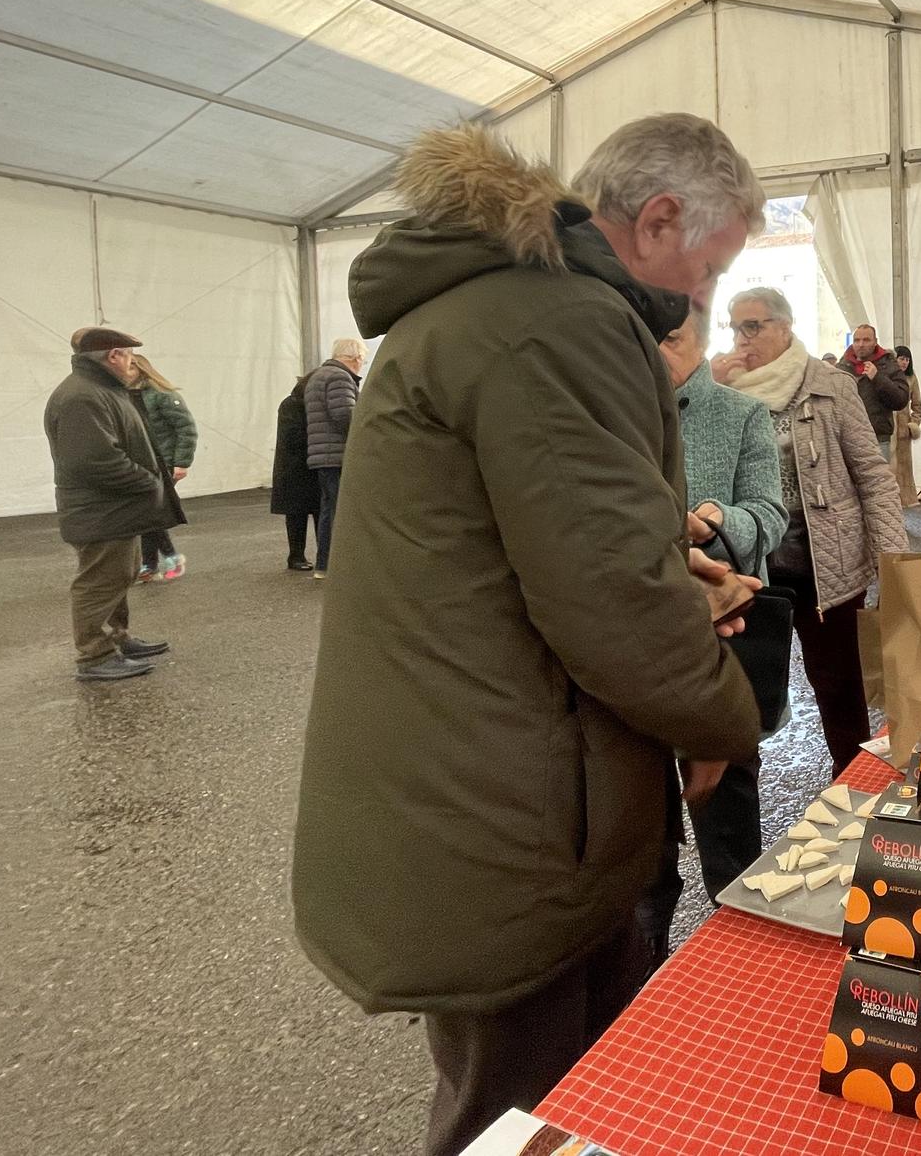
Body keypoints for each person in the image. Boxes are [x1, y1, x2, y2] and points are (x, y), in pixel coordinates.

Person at [291, 115, 767, 1156]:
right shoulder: (558, 319)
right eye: (710, 265)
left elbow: (515, 545)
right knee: (517, 1112)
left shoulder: (492, 307)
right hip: (508, 803)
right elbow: (607, 602)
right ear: (658, 219)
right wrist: (723, 720)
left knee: (560, 1089)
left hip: (481, 778)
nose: (706, 296)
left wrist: (657, 558)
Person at [636, 308, 787, 966]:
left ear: (699, 340)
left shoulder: (741, 415)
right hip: (628, 649)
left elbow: (769, 515)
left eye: (669, 338)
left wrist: (721, 518)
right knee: (638, 842)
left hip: (721, 644)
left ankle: (742, 966)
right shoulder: (608, 411)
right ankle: (638, 980)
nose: (656, 352)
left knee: (728, 817)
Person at [714, 286, 907, 774]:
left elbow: (871, 474)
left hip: (829, 567)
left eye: (752, 326)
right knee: (746, 693)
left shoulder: (831, 385)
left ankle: (855, 788)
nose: (742, 338)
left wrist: (894, 562)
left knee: (840, 688)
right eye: (734, 327)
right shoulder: (722, 392)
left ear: (785, 326)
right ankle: (743, 836)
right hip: (752, 567)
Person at [42, 327, 177, 682]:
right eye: (129, 355)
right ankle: (94, 655)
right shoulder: (82, 397)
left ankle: (117, 638)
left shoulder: (98, 390)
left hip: (113, 509)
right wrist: (148, 481)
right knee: (98, 581)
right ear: (114, 356)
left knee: (120, 573)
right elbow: (92, 461)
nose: (133, 362)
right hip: (100, 509)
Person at [126, 354, 195, 582]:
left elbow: (185, 428)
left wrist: (182, 462)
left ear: (141, 369)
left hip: (162, 463)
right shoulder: (125, 396)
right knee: (148, 513)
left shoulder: (162, 395)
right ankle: (155, 563)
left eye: (131, 367)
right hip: (140, 464)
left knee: (149, 513)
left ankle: (160, 561)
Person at [302, 338, 363, 581]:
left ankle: (325, 565)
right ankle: (338, 566)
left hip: (323, 454)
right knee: (341, 511)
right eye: (362, 360)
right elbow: (345, 414)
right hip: (337, 454)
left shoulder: (318, 376)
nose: (361, 365)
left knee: (330, 510)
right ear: (355, 358)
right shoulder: (339, 377)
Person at [839, 322, 910, 459]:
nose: (861, 344)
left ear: (875, 342)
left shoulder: (888, 365)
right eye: (857, 340)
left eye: (866, 340)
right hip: (847, 439)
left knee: (880, 479)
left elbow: (901, 399)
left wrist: (877, 378)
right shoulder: (842, 367)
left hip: (877, 439)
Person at [270, 374, 319, 571]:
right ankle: (296, 556)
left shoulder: (294, 404)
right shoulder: (291, 405)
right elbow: (292, 436)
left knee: (312, 512)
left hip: (302, 466)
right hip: (294, 467)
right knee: (298, 515)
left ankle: (313, 555)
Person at [890, 345, 921, 508]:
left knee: (904, 468)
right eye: (901, 358)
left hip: (904, 429)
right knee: (888, 467)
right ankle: (890, 501)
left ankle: (906, 500)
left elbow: (917, 405)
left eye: (907, 359)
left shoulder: (911, 378)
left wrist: (913, 424)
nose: (904, 362)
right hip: (888, 427)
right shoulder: (887, 376)